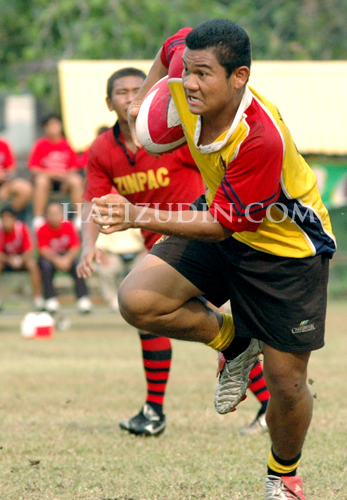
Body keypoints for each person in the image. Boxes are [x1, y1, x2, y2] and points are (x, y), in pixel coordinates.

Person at [92, 20, 336, 499]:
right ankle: (235, 343)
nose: (189, 82)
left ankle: (283, 475)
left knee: (287, 385)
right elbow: (170, 45)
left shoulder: (259, 136)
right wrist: (143, 99)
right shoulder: (185, 72)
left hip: (285, 249)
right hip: (220, 212)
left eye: (204, 74)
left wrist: (135, 213)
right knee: (138, 300)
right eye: (188, 72)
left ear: (239, 76)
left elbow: (228, 226)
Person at [77, 67, 205, 436]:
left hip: (196, 240)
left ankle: (153, 411)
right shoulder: (103, 149)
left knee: (149, 310)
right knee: (160, 315)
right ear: (109, 102)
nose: (131, 96)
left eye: (138, 89)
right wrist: (89, 245)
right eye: (122, 91)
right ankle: (264, 405)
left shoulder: (173, 136)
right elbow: (93, 202)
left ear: (150, 94)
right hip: (158, 248)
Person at [28, 114, 84, 229]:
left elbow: (74, 167)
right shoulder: (40, 145)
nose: (53, 128)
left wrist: (64, 176)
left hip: (64, 182)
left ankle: (79, 218)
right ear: (45, 128)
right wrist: (51, 174)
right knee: (41, 180)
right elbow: (33, 168)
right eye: (50, 125)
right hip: (47, 182)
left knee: (76, 181)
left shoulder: (67, 144)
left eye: (56, 124)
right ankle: (38, 219)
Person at [37, 202, 92, 314]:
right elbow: (43, 250)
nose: (54, 216)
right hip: (51, 258)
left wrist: (67, 259)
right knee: (45, 265)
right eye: (51, 213)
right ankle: (50, 299)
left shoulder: (69, 225)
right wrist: (57, 260)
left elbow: (75, 246)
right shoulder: (42, 229)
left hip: (67, 256)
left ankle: (83, 299)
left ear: (62, 213)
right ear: (46, 215)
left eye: (56, 213)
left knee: (78, 265)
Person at [0, 206, 43, 310]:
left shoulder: (22, 228)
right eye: (4, 218)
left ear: (14, 219)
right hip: (5, 260)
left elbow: (29, 249)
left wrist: (20, 259)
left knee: (33, 264)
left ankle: (37, 298)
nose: (6, 221)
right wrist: (9, 260)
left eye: (9, 218)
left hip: (22, 259)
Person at [0, 137, 32, 214]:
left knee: (25, 189)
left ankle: (8, 218)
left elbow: (11, 170)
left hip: (4, 182)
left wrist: (6, 186)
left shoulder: (3, 144)